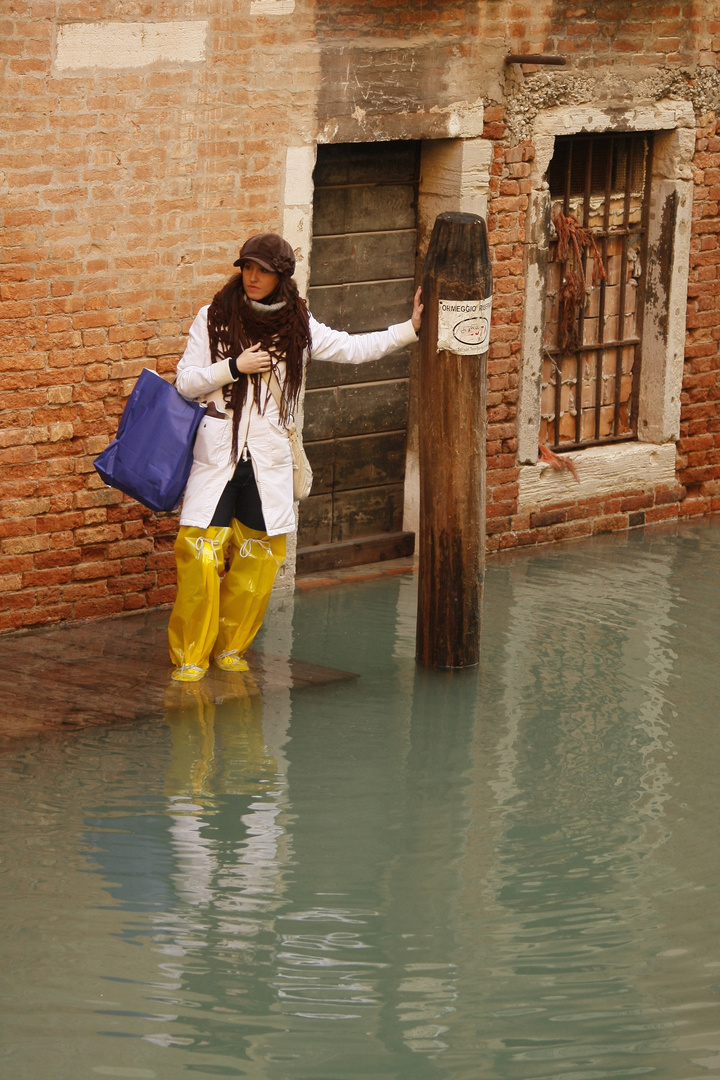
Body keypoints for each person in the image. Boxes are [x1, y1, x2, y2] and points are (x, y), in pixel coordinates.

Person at [168, 232, 423, 682]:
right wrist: (233, 367)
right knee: (199, 553)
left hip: (266, 461)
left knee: (259, 557)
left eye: (262, 271)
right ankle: (190, 657)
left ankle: (230, 649)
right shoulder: (212, 319)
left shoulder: (299, 327)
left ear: (280, 277)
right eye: (246, 268)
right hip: (218, 457)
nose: (251, 277)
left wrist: (410, 330)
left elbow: (351, 348)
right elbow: (185, 382)